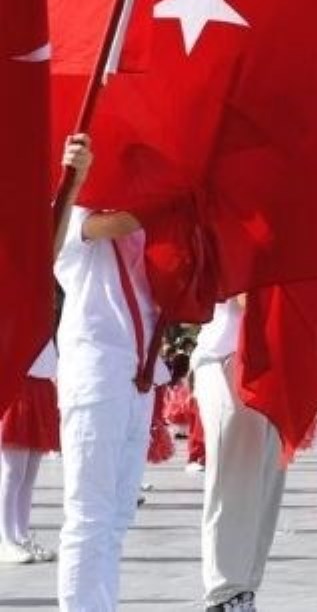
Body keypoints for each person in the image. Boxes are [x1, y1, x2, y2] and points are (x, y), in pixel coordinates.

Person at [52, 133, 173, 610]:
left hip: (138, 376)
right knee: (88, 514)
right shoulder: (73, 219)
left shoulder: (145, 234)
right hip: (95, 373)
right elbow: (119, 221)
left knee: (119, 515)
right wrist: (76, 176)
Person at [193, 295, 287, 611]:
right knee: (234, 480)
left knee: (266, 485)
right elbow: (242, 286)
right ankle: (224, 594)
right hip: (227, 353)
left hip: (278, 357)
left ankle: (244, 593)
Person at [0, 341, 59, 565]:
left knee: (29, 474)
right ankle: (6, 540)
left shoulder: (43, 312)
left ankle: (21, 535)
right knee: (13, 472)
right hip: (16, 384)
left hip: (42, 386)